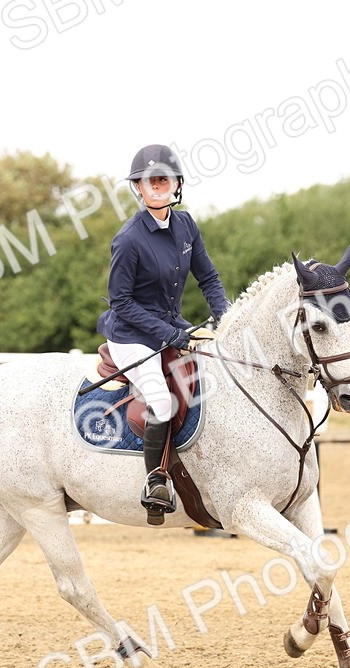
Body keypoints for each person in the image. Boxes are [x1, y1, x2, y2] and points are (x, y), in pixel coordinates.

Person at [97, 144, 230, 517]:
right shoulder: (128, 239)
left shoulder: (186, 225)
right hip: (131, 334)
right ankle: (156, 479)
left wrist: (226, 319)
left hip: (173, 325)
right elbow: (120, 302)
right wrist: (168, 334)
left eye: (163, 179)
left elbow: (210, 279)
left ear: (177, 184)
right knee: (159, 399)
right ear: (137, 188)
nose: (156, 186)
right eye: (147, 181)